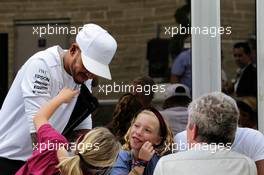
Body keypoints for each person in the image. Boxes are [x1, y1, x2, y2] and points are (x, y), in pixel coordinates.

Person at [0, 23, 117, 174]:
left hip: (44, 160)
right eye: (87, 66)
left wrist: (86, 153)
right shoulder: (43, 66)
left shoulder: (83, 76)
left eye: (95, 71)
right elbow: (36, 126)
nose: (90, 74)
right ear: (74, 49)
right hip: (10, 157)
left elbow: (83, 122)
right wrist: (63, 161)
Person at [16, 88, 120, 175]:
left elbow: (39, 118)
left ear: (80, 139)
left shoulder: (53, 144)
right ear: (103, 168)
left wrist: (60, 98)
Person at [154, 92, 257, 175]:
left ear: (193, 130)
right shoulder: (247, 165)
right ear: (232, 134)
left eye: (188, 125)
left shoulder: (166, 165)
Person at [111, 107, 174, 175]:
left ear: (158, 140)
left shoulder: (161, 162)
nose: (138, 132)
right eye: (136, 126)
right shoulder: (121, 156)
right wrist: (141, 162)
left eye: (147, 130)